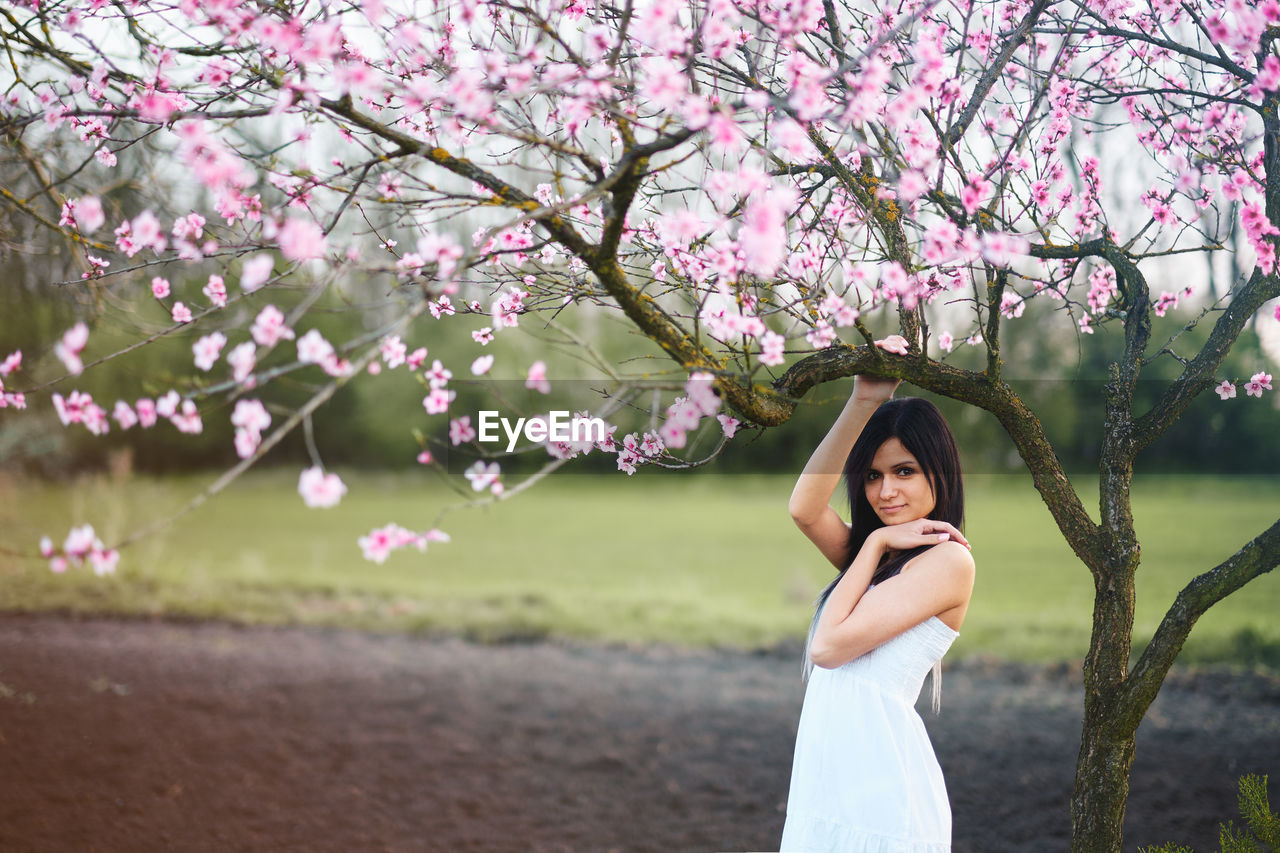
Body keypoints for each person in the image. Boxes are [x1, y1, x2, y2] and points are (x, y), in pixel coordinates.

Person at [779, 376, 975, 852]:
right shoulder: (878, 560)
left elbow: (826, 649)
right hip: (828, 786)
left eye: (904, 471)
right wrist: (863, 400)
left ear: (939, 469)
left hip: (881, 797)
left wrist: (874, 542)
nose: (885, 490)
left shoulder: (948, 562)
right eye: (872, 475)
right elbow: (804, 509)